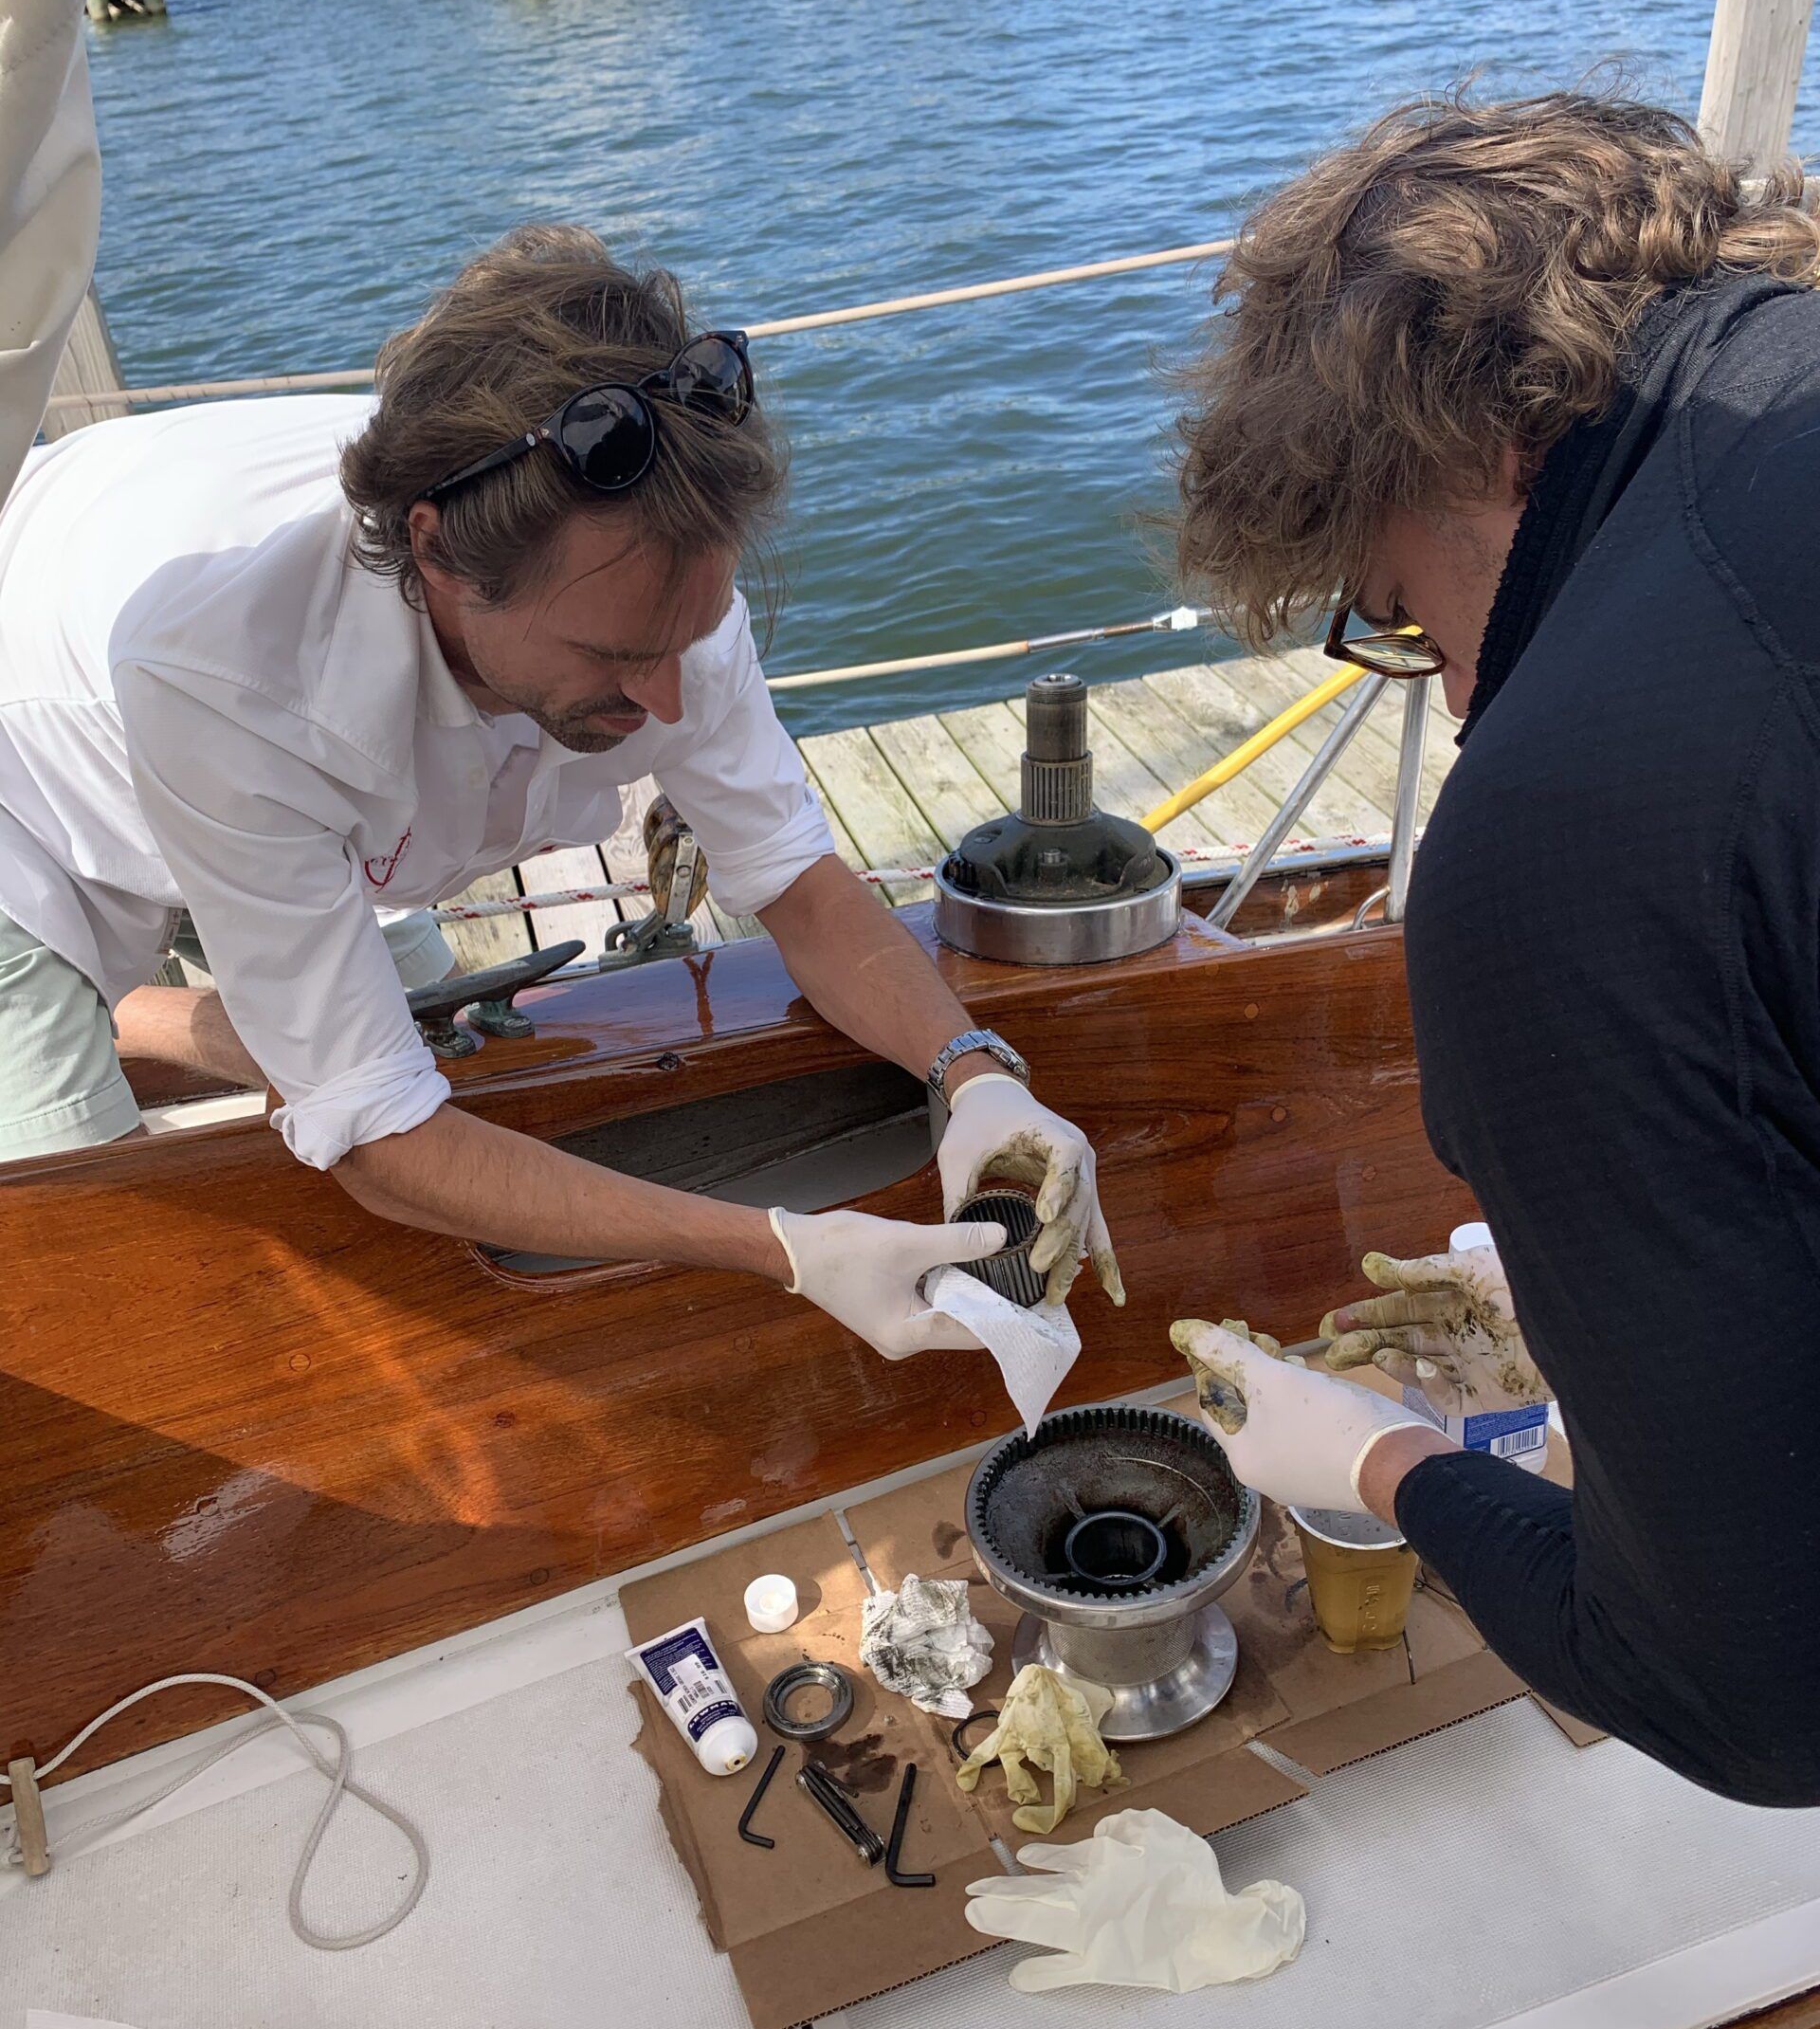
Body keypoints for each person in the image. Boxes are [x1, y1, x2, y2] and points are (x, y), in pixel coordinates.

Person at [0, 224, 1119, 1360]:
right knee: (87, 1263)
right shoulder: (235, 682)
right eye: (619, 656)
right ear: (437, 557)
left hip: (271, 778)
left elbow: (792, 878)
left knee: (426, 1066)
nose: (674, 701)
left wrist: (975, 1075)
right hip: (28, 793)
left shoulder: (653, 579)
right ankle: (104, 1001)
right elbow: (387, 1147)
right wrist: (787, 1248)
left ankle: (182, 1016)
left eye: (691, 636)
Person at [1168, 90, 1820, 1807]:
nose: (1455, 693)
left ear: (1438, 454)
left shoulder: (1560, 828)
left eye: (1390, 606)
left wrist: (1386, 1464)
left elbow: (1759, 1694)